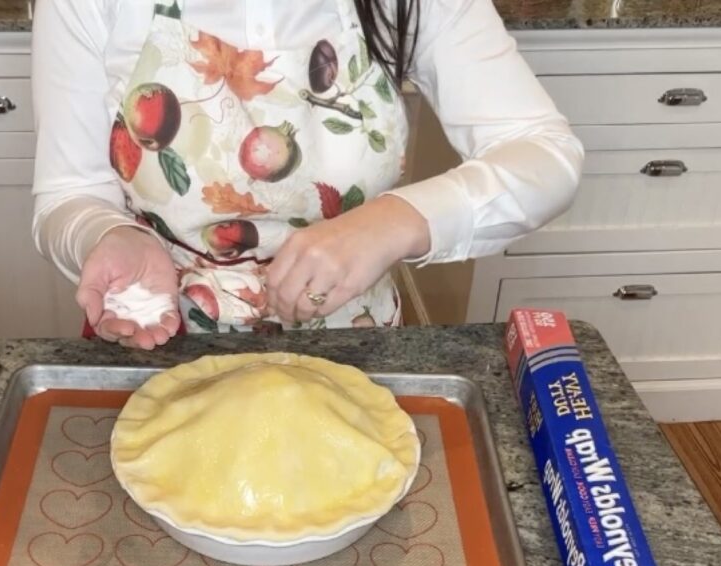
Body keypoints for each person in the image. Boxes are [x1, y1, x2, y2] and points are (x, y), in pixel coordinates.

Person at [31, 0, 583, 349]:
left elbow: (546, 155)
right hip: (164, 339)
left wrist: (395, 220)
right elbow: (69, 193)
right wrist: (107, 235)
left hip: (354, 345)